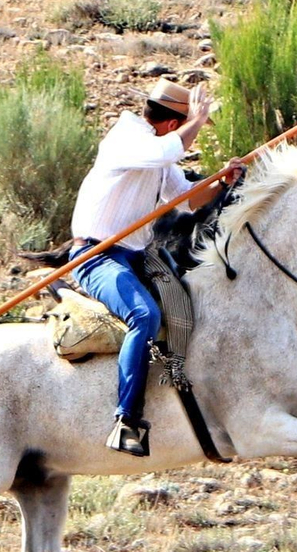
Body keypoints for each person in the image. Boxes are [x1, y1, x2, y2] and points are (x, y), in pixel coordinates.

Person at [69, 80, 238, 455]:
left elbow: (191, 198)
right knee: (143, 315)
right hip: (95, 255)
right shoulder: (126, 140)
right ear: (168, 124)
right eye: (184, 126)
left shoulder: (159, 156)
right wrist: (196, 120)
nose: (186, 134)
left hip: (135, 254)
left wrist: (221, 181)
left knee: (192, 303)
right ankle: (126, 419)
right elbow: (168, 151)